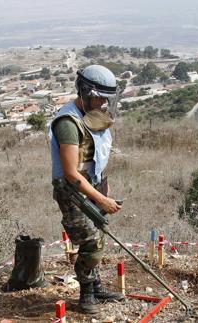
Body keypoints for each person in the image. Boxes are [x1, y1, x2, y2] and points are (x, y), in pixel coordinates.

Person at [49, 65, 124, 314]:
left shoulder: (94, 116)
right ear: (83, 92)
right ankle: (86, 294)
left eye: (107, 98)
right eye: (98, 96)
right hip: (73, 192)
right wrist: (101, 199)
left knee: (99, 235)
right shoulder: (68, 123)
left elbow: (95, 157)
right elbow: (71, 173)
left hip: (92, 185)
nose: (103, 102)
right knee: (90, 241)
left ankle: (96, 285)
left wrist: (104, 188)